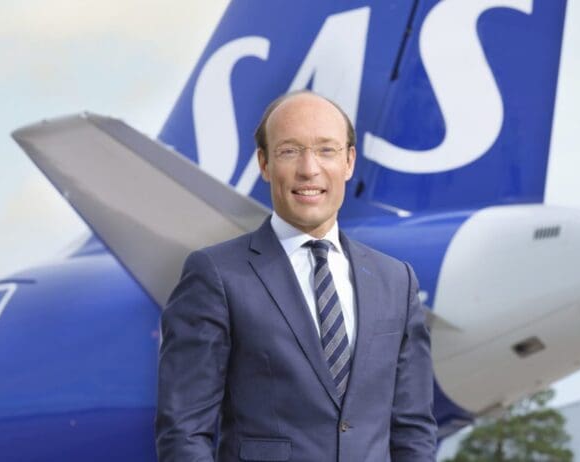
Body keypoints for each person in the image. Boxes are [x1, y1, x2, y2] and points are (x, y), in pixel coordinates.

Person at [155, 90, 437, 461]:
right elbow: (184, 432)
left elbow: (414, 430)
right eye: (289, 151)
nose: (309, 169)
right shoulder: (217, 276)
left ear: (349, 161)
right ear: (265, 163)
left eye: (326, 150)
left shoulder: (396, 281)